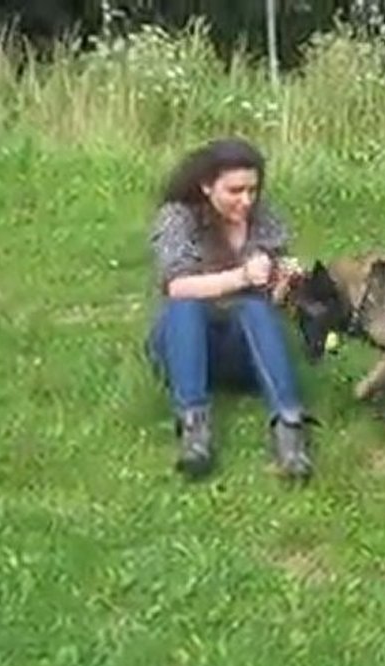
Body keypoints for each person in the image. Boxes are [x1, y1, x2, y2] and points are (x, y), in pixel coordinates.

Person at [143, 137, 315, 483]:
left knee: (254, 307)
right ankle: (194, 430)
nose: (246, 201)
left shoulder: (264, 220)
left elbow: (279, 289)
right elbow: (177, 285)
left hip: (245, 347)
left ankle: (290, 430)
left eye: (252, 190)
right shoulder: (178, 219)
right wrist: (241, 276)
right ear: (207, 186)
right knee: (186, 305)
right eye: (235, 191)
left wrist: (287, 279)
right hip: (185, 343)